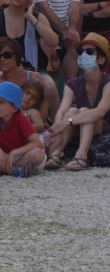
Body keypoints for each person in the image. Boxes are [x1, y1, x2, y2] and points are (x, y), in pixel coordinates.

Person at [45, 33, 110, 171]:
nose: (83, 55)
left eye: (90, 52)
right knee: (72, 110)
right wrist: (57, 128)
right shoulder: (73, 83)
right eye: (81, 51)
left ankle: (81, 155)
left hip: (103, 129)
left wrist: (66, 122)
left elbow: (100, 112)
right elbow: (61, 110)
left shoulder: (107, 82)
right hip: (80, 126)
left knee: (84, 111)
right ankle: (56, 152)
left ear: (101, 59)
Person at [0, 80, 46, 177]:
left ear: (14, 108)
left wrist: (14, 153)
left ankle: (0, 169)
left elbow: (37, 143)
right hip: (3, 156)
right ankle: (14, 170)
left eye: (1, 102)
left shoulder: (22, 118)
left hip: (21, 156)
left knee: (38, 154)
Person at [0, 36, 60, 122]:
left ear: (16, 56)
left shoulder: (34, 78)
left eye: (7, 55)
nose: (2, 59)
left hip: (32, 129)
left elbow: (43, 109)